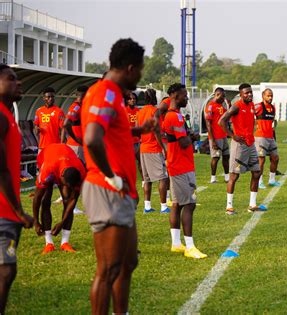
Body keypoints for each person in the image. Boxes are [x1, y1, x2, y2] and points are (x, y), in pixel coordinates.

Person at [82, 38, 153, 314]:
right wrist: (111, 176)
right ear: (130, 67)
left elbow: (113, 133)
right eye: (141, 69)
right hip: (106, 188)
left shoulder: (114, 96)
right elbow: (91, 138)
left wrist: (141, 129)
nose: (142, 74)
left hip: (120, 191)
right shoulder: (105, 93)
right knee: (108, 268)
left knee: (127, 262)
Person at [0, 63, 34, 313]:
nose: (18, 82)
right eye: (11, 78)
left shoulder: (7, 114)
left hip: (7, 209)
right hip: (3, 210)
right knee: (5, 269)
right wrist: (18, 211)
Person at [163, 83, 206, 259]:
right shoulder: (175, 117)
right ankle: (189, 246)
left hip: (178, 164)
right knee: (189, 204)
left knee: (177, 204)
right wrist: (193, 137)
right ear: (174, 96)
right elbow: (184, 143)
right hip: (181, 166)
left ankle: (176, 243)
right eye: (184, 95)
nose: (187, 98)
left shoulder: (175, 116)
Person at [218, 83, 266, 215]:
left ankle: (252, 204)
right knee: (234, 175)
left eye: (250, 92)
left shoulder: (251, 105)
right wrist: (233, 135)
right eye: (246, 93)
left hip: (250, 144)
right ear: (241, 94)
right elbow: (221, 121)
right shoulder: (236, 106)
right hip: (239, 145)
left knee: (256, 172)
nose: (249, 94)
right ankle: (229, 206)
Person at [32, 144, 85, 254]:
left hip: (66, 157)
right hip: (47, 156)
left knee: (67, 199)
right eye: (67, 185)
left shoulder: (80, 172)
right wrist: (36, 221)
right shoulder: (48, 170)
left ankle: (65, 243)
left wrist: (62, 222)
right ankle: (49, 243)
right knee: (45, 200)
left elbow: (73, 200)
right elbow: (37, 197)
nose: (69, 189)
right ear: (61, 179)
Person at [137, 88, 170, 214]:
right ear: (154, 98)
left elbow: (137, 128)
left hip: (143, 147)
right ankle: (163, 207)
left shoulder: (140, 112)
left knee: (147, 179)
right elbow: (156, 130)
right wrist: (163, 147)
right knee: (163, 177)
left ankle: (147, 207)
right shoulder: (155, 111)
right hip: (153, 147)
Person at [254, 88, 281, 189]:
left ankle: (272, 180)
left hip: (270, 137)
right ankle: (259, 182)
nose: (270, 97)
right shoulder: (258, 106)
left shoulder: (273, 108)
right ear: (263, 96)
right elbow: (249, 115)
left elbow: (272, 124)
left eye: (271, 95)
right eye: (268, 95)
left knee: (275, 158)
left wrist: (274, 137)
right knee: (261, 160)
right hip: (260, 137)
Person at [204, 87, 230, 184]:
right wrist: (213, 140)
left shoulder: (221, 106)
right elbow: (208, 124)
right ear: (217, 95)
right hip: (216, 137)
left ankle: (227, 177)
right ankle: (213, 178)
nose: (224, 98)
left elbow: (226, 117)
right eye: (223, 96)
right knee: (216, 157)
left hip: (223, 136)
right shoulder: (210, 106)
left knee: (226, 156)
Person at [34, 87, 65, 153]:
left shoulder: (59, 111)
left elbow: (63, 129)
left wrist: (62, 144)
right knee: (41, 164)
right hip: (42, 147)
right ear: (44, 98)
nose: (50, 99)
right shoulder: (38, 111)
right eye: (48, 97)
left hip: (54, 146)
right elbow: (36, 126)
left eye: (52, 97)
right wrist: (37, 129)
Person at [62, 85, 88, 162]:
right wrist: (76, 138)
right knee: (80, 170)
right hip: (77, 146)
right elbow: (66, 124)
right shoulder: (76, 107)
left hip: (80, 145)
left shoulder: (83, 106)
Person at [124, 91, 143, 183]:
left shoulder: (138, 111)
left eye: (134, 99)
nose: (133, 100)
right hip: (128, 143)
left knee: (141, 163)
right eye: (130, 99)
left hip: (138, 141)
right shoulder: (123, 111)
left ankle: (144, 181)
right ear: (127, 101)